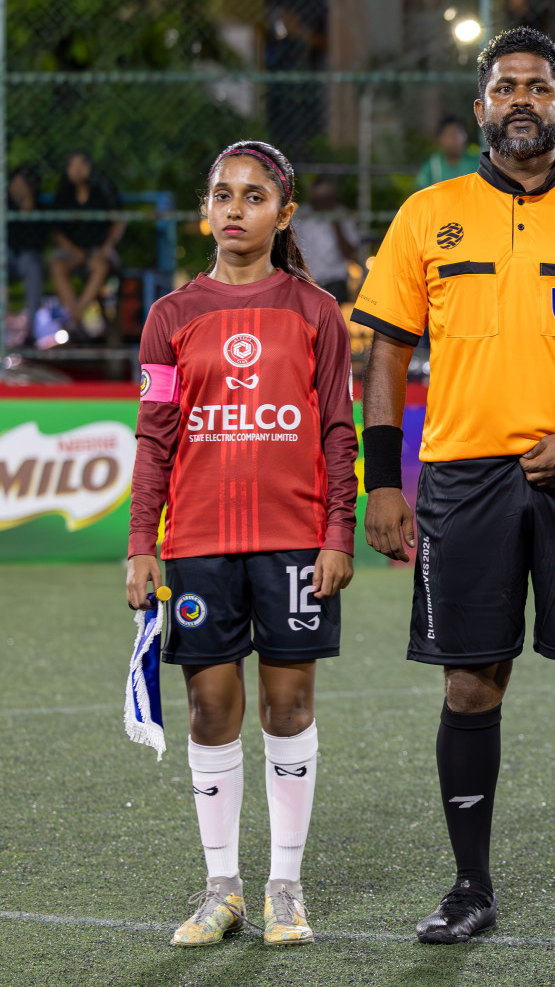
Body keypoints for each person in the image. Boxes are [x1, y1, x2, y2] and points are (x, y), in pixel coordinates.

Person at [352, 27, 555, 947]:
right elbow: (387, 355)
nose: (521, 99)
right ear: (483, 105)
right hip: (462, 482)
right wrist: (384, 483)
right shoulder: (427, 215)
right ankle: (469, 889)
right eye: (505, 87)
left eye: (538, 86)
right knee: (468, 689)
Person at [125, 140, 358, 948]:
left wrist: (338, 533)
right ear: (204, 211)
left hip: (295, 543)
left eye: (254, 196)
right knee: (209, 707)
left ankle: (283, 887)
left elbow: (337, 430)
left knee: (287, 706)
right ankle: (222, 885)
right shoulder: (169, 318)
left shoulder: (316, 312)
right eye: (222, 194)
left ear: (283, 214)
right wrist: (140, 545)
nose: (235, 208)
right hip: (197, 543)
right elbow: (154, 437)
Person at [49, 151, 126, 332]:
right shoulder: (64, 193)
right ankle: (75, 315)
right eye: (72, 165)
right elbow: (56, 229)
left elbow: (119, 220)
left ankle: (76, 314)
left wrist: (106, 247)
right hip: (72, 251)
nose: (76, 170)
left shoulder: (103, 189)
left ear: (88, 167)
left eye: (80, 165)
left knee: (101, 265)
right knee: (56, 265)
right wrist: (73, 250)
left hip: (99, 249)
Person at [291, 176, 359, 304]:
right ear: (313, 195)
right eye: (320, 197)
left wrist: (337, 225)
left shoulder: (342, 214)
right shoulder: (300, 216)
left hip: (335, 281)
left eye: (328, 197)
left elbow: (350, 254)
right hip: (307, 281)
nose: (323, 201)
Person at [7, 165, 48, 348]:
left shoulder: (38, 207)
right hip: (5, 255)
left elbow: (37, 244)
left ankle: (30, 331)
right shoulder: (3, 203)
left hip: (25, 258)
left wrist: (28, 213)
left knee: (34, 267)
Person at [416, 116, 480, 189]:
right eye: (449, 134)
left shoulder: (478, 164)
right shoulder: (432, 167)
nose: (455, 139)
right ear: (439, 139)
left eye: (458, 133)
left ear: (465, 136)